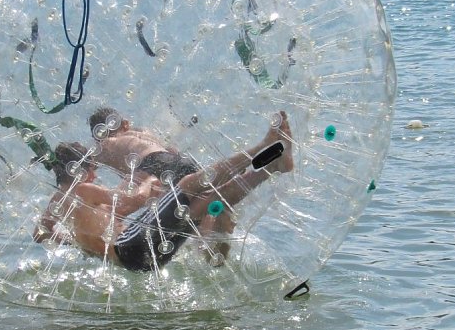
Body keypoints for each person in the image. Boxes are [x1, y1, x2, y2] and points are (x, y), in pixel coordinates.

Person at [38, 110, 294, 272]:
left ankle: (272, 166)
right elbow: (133, 201)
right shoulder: (82, 190)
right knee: (192, 184)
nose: (95, 173)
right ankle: (265, 145)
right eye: (91, 168)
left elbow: (42, 232)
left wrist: (79, 243)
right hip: (131, 246)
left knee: (209, 200)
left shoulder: (66, 204)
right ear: (79, 170)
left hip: (138, 260)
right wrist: (146, 182)